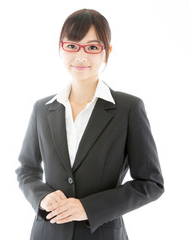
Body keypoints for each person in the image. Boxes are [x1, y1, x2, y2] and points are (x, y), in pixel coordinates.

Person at [15, 8, 164, 240]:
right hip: (47, 233)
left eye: (93, 47)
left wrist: (89, 208)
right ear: (60, 48)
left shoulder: (128, 108)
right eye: (72, 45)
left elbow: (151, 183)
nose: (81, 56)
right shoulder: (42, 109)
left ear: (107, 52)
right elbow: (26, 170)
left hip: (101, 233)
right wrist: (42, 196)